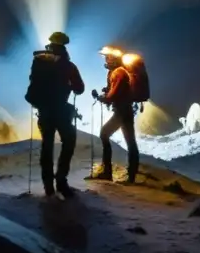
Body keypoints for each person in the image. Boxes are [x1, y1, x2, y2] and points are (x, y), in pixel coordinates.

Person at [27, 31, 85, 199]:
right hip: (61, 110)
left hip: (44, 110)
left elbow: (32, 80)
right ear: (64, 46)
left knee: (47, 145)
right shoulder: (69, 65)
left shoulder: (39, 61)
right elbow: (79, 89)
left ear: (50, 44)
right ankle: (61, 180)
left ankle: (48, 186)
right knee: (69, 140)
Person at [93, 46, 140, 184]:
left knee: (105, 134)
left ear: (113, 59)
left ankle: (109, 173)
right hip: (125, 111)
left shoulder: (118, 72)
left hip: (122, 111)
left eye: (107, 57)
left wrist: (102, 98)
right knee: (130, 142)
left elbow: (113, 95)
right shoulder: (118, 72)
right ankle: (131, 175)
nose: (105, 60)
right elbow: (115, 91)